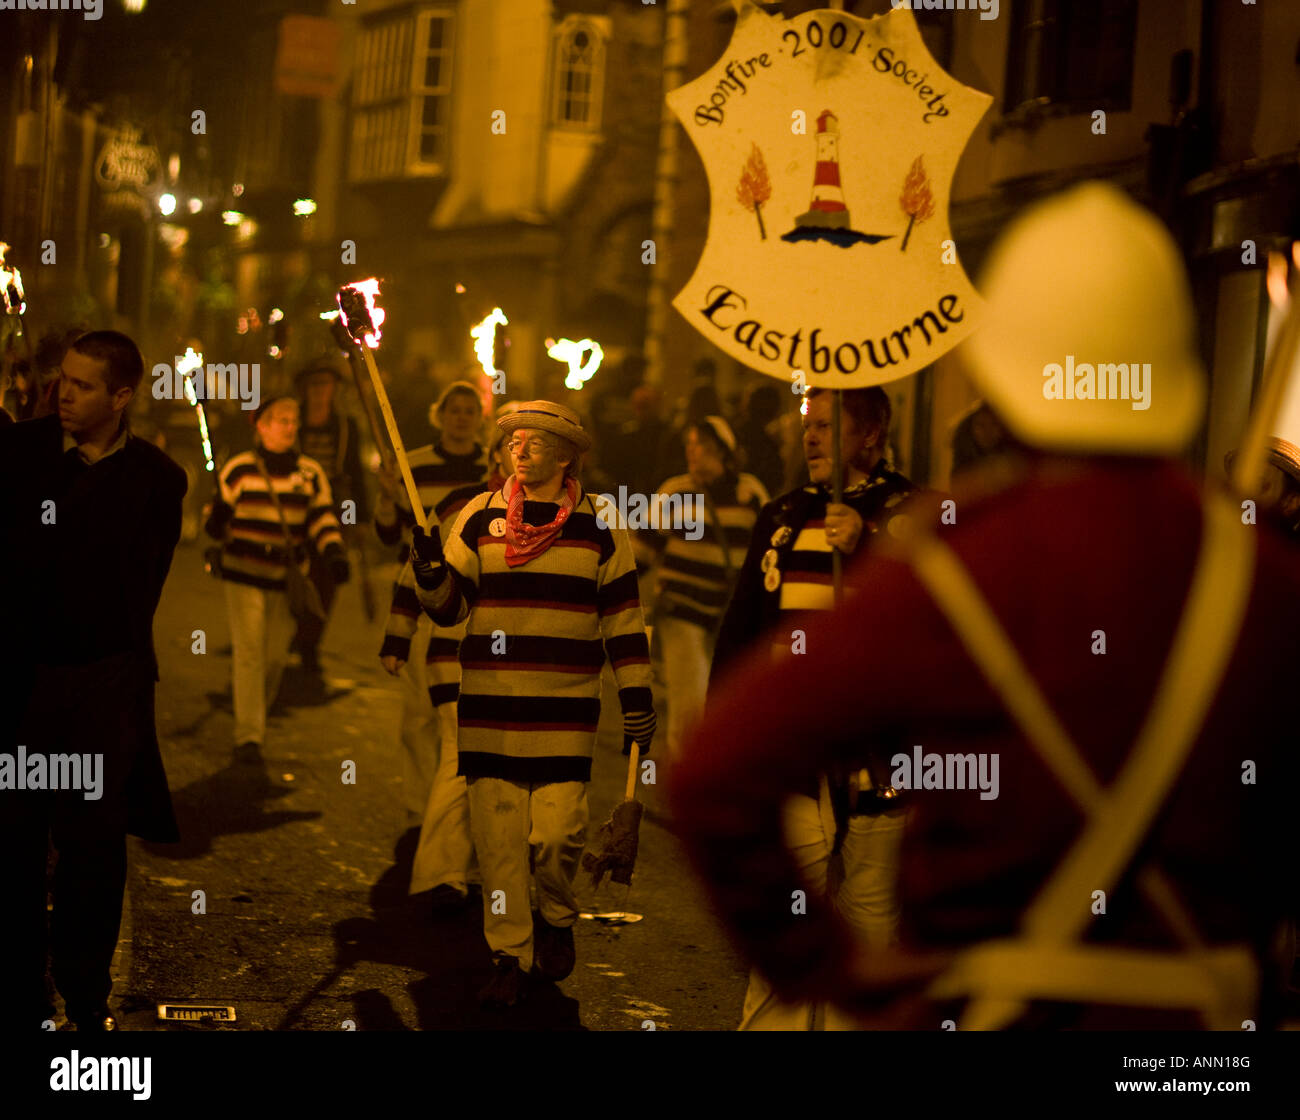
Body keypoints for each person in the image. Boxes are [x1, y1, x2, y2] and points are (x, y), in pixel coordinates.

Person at [670, 182, 1300, 1030]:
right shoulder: (1260, 574)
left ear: (1002, 384)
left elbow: (715, 776)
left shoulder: (955, 561)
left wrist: (827, 967)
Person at [408, 401, 656, 1008]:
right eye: (514, 439)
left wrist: (637, 697)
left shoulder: (601, 524)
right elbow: (450, 608)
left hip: (565, 718)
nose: (518, 448)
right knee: (496, 847)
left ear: (567, 455)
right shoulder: (480, 515)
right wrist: (429, 571)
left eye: (535, 441)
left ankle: (556, 915)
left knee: (558, 835)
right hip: (489, 712)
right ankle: (508, 957)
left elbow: (623, 618)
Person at [705, 384, 917, 1030]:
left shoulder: (916, 513)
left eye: (827, 424)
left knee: (869, 926)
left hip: (884, 761)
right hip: (792, 759)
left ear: (872, 433)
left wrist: (870, 545)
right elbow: (742, 632)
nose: (811, 437)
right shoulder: (784, 515)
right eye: (808, 424)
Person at [0, 330, 188, 1030]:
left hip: (99, 692)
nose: (63, 395)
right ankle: (18, 994)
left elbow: (132, 596)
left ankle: (85, 996)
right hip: (19, 691)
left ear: (122, 396)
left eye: (81, 386)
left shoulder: (156, 481)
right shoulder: (16, 453)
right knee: (13, 850)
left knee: (90, 854)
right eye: (61, 380)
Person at [376, 381, 489, 877]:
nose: (461, 418)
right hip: (419, 588)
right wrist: (385, 498)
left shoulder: (491, 469)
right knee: (416, 717)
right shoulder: (412, 463)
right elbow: (388, 534)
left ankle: (445, 826)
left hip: (466, 602)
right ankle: (419, 811)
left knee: (451, 719)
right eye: (454, 410)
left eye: (470, 411)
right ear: (440, 413)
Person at [407, 408, 516, 908]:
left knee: (494, 765)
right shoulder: (462, 508)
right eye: (511, 450)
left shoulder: (555, 515)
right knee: (459, 755)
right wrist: (396, 636)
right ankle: (437, 873)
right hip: (454, 653)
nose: (521, 461)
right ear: (492, 457)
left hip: (514, 667)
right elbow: (422, 575)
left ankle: (475, 871)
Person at [205, 395, 348, 765]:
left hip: (287, 579)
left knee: (273, 658)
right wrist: (217, 517)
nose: (289, 426)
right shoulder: (239, 470)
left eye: (292, 419)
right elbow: (217, 520)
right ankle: (249, 735)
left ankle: (255, 720)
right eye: (279, 419)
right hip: (244, 573)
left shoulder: (310, 473)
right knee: (250, 653)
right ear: (261, 426)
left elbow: (321, 517)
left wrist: (333, 552)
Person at [648, 416, 768, 760]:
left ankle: (725, 770)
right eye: (689, 444)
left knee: (731, 694)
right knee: (690, 696)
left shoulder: (750, 493)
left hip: (730, 612)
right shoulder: (674, 491)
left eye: (700, 445)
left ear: (722, 451)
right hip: (681, 607)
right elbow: (644, 545)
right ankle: (690, 777)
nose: (692, 452)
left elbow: (768, 548)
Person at [293, 359, 370, 676]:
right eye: (314, 385)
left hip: (335, 511)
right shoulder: (290, 420)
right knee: (297, 578)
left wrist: (359, 519)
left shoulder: (345, 426)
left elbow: (355, 473)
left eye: (325, 385)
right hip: (294, 510)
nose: (320, 392)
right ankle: (300, 631)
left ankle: (310, 643)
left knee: (327, 580)